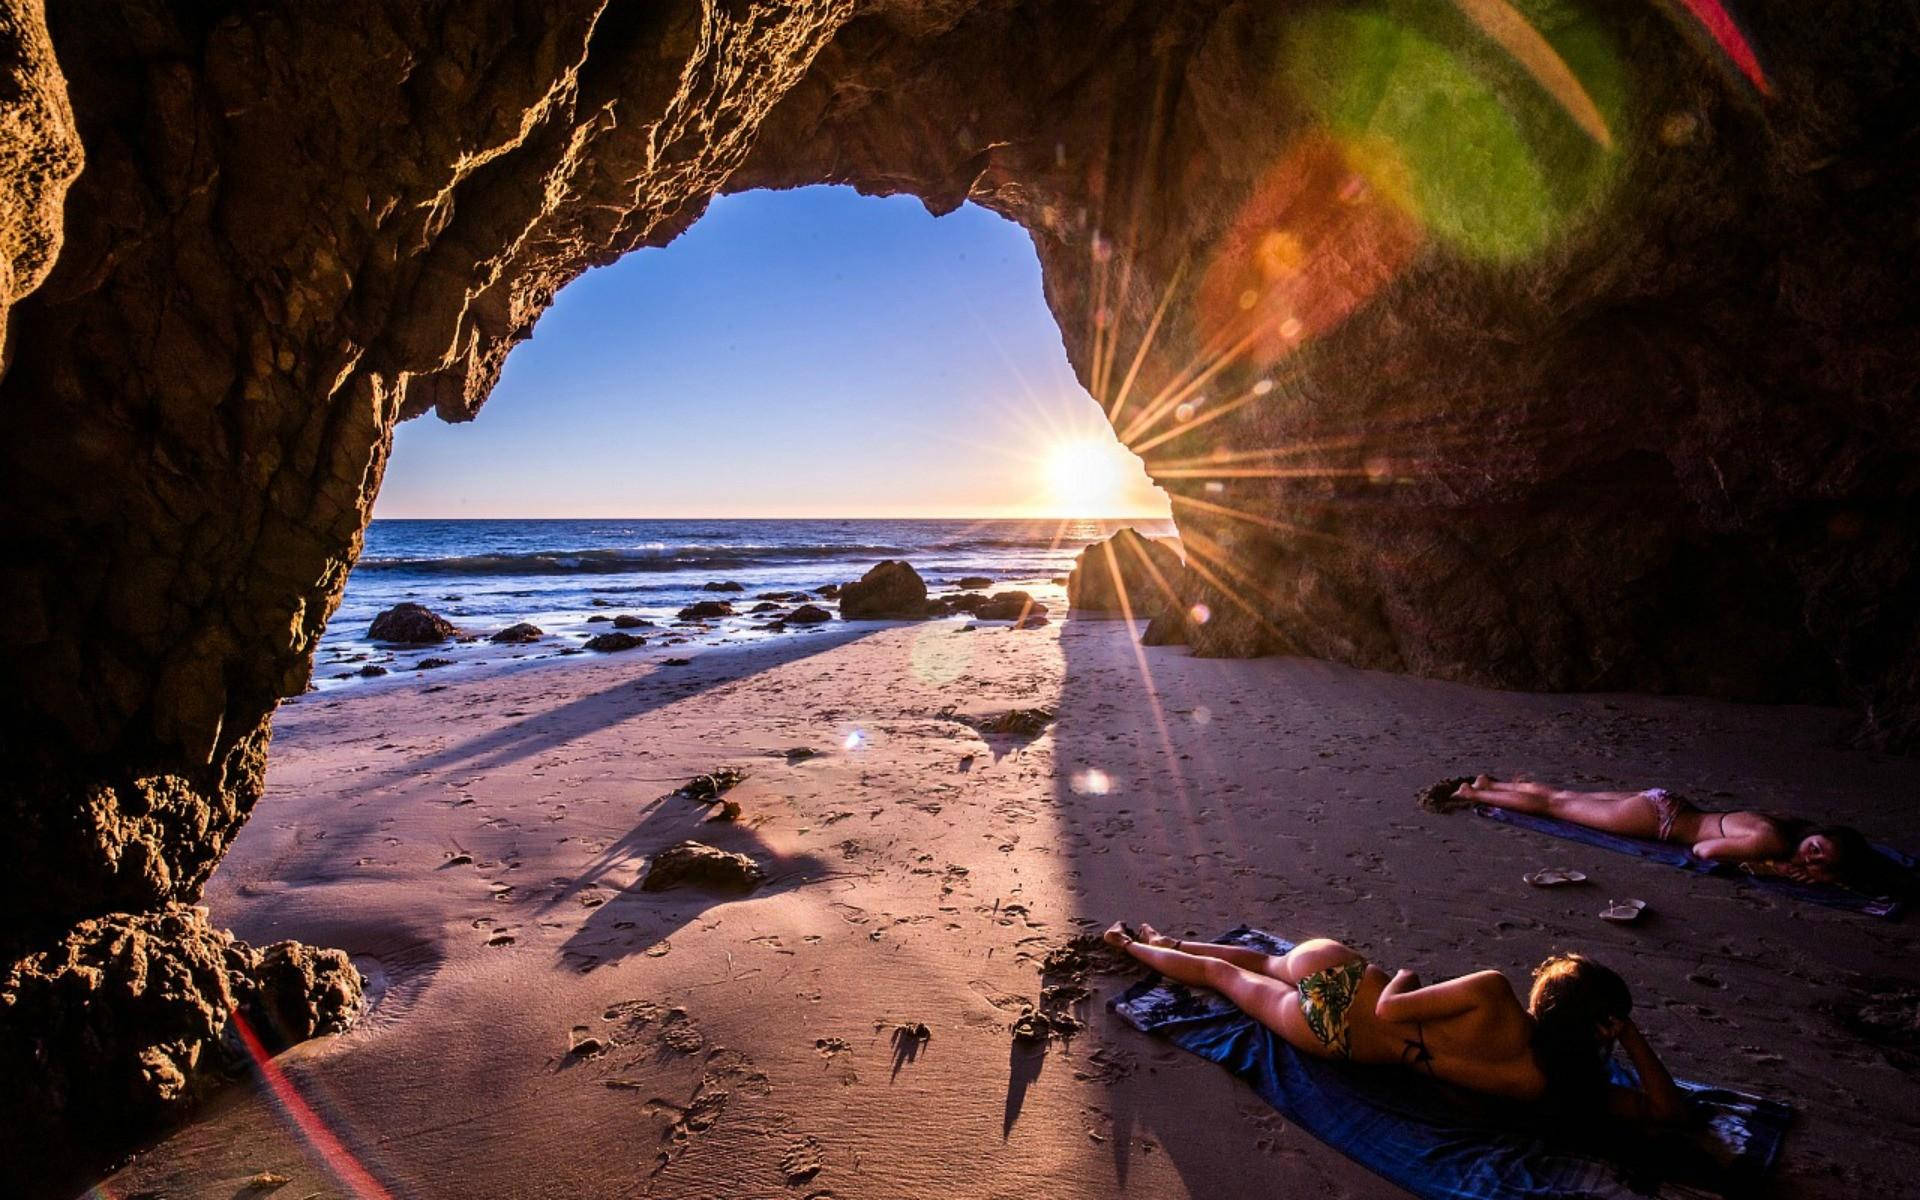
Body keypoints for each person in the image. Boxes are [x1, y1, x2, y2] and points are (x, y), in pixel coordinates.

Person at [1103, 922, 1686, 1122]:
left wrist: (1404, 975)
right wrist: (1628, 1036)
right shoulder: (1552, 1088)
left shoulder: (1496, 996)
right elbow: (1667, 1111)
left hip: (1354, 985)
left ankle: (1143, 943)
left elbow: (1390, 1006)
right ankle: (1149, 944)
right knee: (1229, 977)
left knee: (1252, 965)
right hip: (1339, 1042)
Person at [1443, 774, 1877, 886]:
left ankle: (1492, 786)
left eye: (1820, 861)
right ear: (1815, 833)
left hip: (1664, 803)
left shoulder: (1782, 827)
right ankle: (1475, 794)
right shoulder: (1775, 841)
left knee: (1563, 796)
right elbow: (1705, 852)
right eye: (1817, 848)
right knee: (1555, 806)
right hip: (1663, 823)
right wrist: (1771, 867)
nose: (1811, 857)